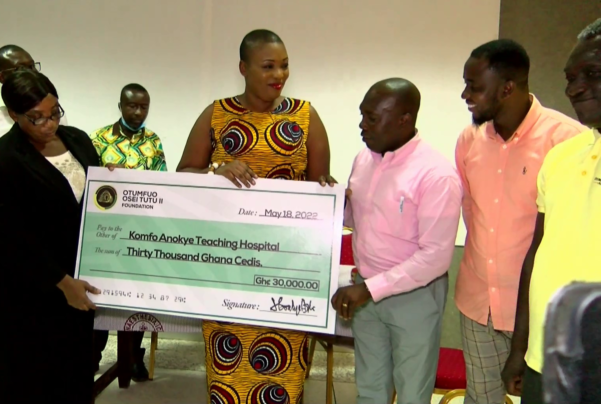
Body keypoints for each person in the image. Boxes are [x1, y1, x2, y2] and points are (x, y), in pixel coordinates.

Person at [177, 29, 336, 403]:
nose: (279, 75)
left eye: (284, 66)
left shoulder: (306, 116)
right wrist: (216, 170)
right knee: (227, 375)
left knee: (283, 379)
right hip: (227, 269)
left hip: (287, 272)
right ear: (243, 68)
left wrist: (329, 189)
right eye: (268, 66)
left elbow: (320, 187)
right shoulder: (217, 114)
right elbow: (183, 175)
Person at [455, 39, 585, 404]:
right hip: (479, 304)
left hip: (541, 311)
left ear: (507, 88)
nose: (465, 95)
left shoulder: (567, 141)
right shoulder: (468, 141)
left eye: (475, 86)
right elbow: (471, 212)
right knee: (481, 399)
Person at [0, 71, 101, 404]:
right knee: (30, 379)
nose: (49, 124)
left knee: (73, 372)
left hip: (75, 277)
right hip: (26, 287)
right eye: (36, 117)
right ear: (13, 114)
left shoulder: (78, 140)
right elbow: (10, 236)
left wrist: (109, 180)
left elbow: (90, 201)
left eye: (54, 112)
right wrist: (62, 282)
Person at [332, 78, 463, 404]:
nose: (362, 126)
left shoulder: (436, 175)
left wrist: (369, 289)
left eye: (372, 118)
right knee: (370, 390)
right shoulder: (363, 160)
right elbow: (357, 221)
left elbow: (435, 257)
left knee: (411, 394)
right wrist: (333, 204)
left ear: (405, 119)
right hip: (365, 291)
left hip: (414, 298)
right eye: (362, 115)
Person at [501, 18, 601, 404]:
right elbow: (538, 254)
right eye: (570, 78)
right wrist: (520, 348)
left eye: (592, 74)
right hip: (544, 361)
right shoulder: (561, 156)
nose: (575, 88)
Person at [89, 82, 164, 381]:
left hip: (140, 233)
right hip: (104, 234)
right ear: (120, 106)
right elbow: (86, 182)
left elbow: (162, 184)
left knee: (137, 299)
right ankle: (92, 356)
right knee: (100, 297)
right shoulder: (98, 139)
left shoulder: (153, 141)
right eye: (132, 106)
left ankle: (133, 358)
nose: (138, 112)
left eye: (144, 107)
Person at [0, 44, 69, 187]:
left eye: (32, 66)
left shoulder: (52, 110)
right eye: (20, 69)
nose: (30, 73)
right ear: (0, 77)